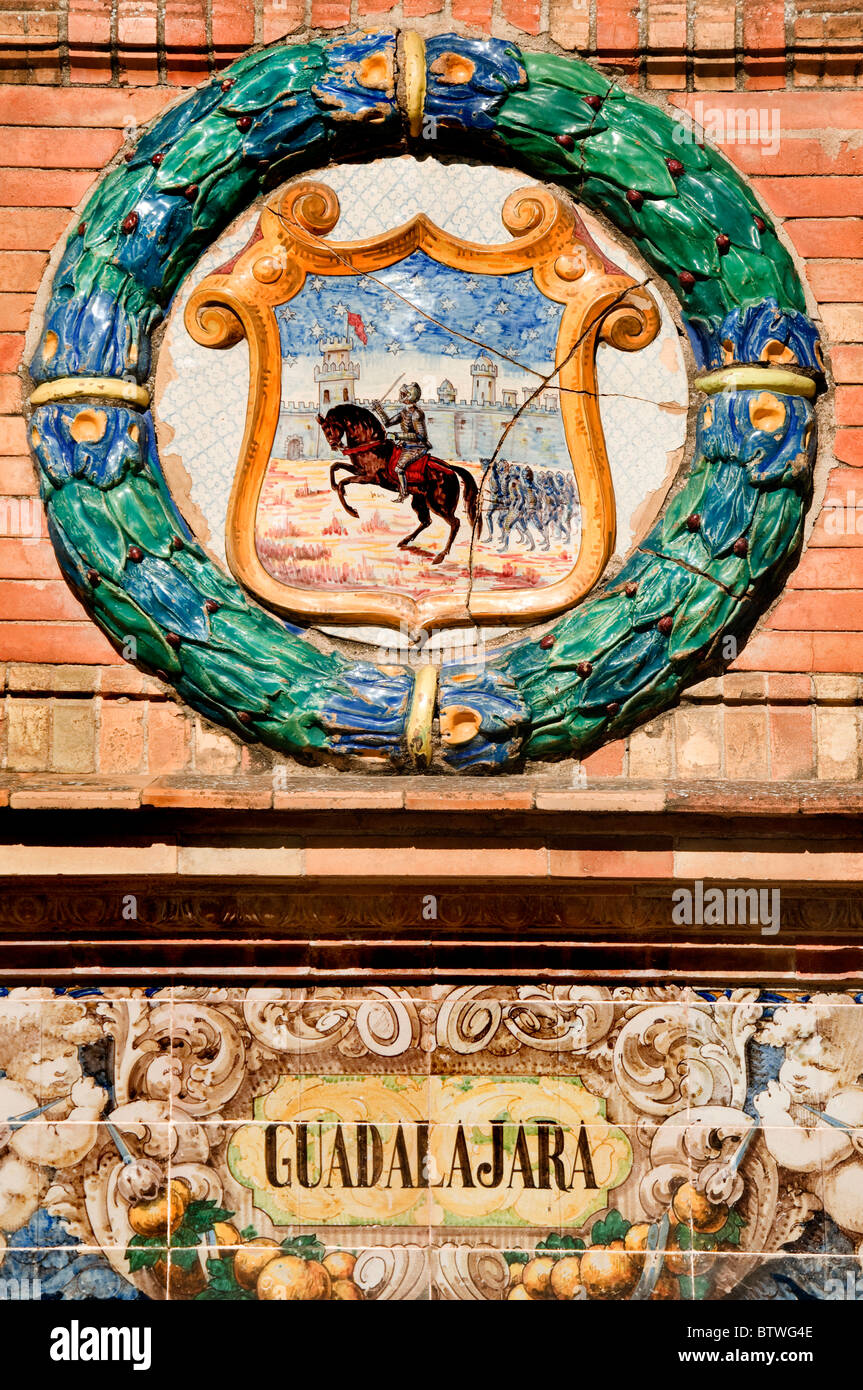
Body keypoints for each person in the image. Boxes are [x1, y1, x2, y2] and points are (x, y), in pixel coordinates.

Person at [373, 382, 429, 500]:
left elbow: (421, 436)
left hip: (417, 447)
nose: (401, 395)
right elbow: (388, 423)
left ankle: (404, 493)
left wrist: (397, 436)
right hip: (406, 445)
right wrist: (379, 409)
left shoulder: (416, 414)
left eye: (404, 393)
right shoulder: (405, 412)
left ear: (410, 396)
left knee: (399, 469)